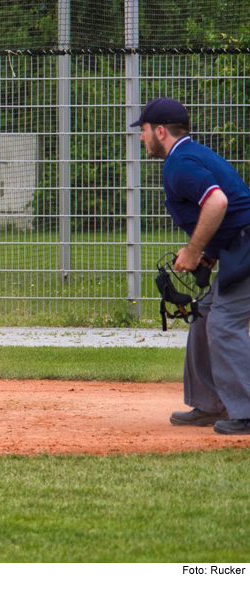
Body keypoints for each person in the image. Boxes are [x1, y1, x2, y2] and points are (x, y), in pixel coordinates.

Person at [132, 97, 250, 435]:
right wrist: (210, 254)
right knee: (205, 316)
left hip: (245, 247)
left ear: (159, 131)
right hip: (236, 247)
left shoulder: (180, 164)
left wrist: (194, 249)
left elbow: (218, 201)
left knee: (224, 324)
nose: (142, 138)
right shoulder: (191, 154)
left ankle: (246, 411)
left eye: (143, 131)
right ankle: (211, 404)